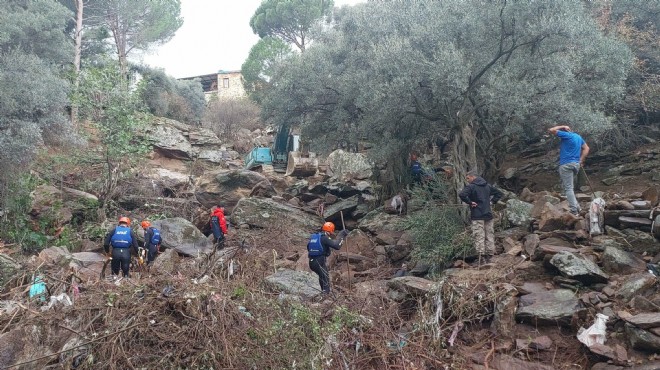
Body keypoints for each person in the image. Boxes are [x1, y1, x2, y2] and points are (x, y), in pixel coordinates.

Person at [459, 171, 503, 264]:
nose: (467, 180)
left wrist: (470, 202)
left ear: (473, 177)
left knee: (479, 235)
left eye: (468, 178)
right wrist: (492, 202)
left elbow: (462, 195)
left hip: (477, 215)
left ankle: (481, 258)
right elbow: (499, 193)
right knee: (489, 235)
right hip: (488, 215)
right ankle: (490, 256)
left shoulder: (471, 186)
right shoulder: (487, 186)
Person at [548, 125, 590, 215]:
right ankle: (579, 208)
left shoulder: (566, 135)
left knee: (568, 188)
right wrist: (581, 160)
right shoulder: (578, 137)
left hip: (566, 164)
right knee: (570, 188)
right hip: (576, 165)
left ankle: (574, 211)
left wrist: (562, 126)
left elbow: (551, 130)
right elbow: (587, 148)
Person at [307, 222, 349, 294]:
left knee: (322, 276)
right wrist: (342, 235)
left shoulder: (314, 237)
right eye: (332, 231)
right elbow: (337, 246)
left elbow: (308, 247)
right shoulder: (324, 238)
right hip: (319, 262)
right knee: (325, 277)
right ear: (330, 231)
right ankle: (325, 295)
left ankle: (324, 293)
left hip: (312, 262)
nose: (332, 233)